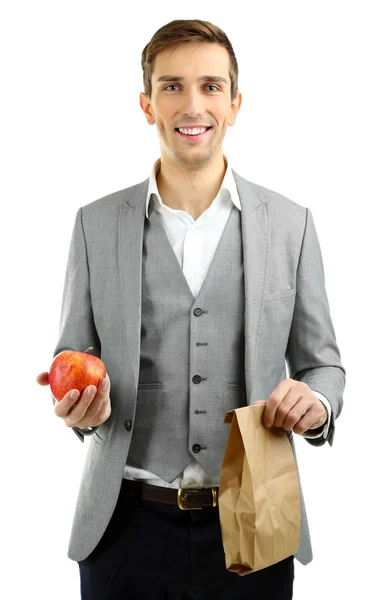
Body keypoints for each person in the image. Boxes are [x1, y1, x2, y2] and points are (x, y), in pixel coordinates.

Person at [36, 18, 346, 600]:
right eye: (172, 86)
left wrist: (319, 401)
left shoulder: (291, 224)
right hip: (125, 523)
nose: (192, 104)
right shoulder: (96, 224)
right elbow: (72, 355)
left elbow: (323, 364)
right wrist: (80, 405)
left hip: (258, 516)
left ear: (234, 104)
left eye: (210, 86)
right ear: (147, 105)